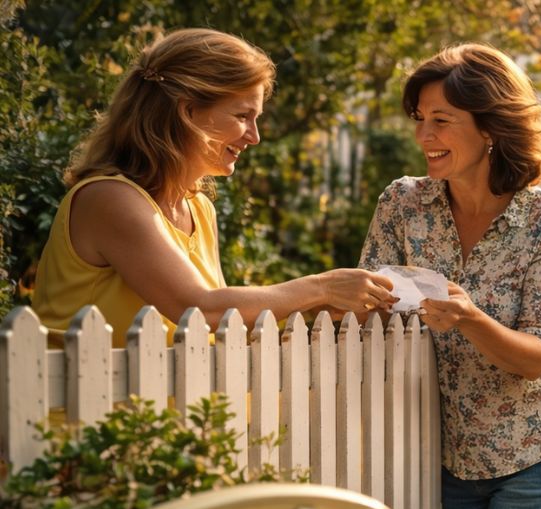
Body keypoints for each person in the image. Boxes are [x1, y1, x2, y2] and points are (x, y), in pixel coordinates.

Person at [358, 43, 541, 509]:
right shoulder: (402, 205)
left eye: (442, 121)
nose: (424, 136)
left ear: (490, 128)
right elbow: (363, 307)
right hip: (448, 460)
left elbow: (539, 357)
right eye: (419, 120)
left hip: (534, 459)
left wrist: (469, 318)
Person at [32, 28, 395, 347]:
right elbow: (198, 309)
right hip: (98, 422)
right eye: (242, 116)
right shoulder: (110, 198)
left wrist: (313, 306)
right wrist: (322, 287)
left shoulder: (198, 208)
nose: (254, 137)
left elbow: (222, 322)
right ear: (187, 113)